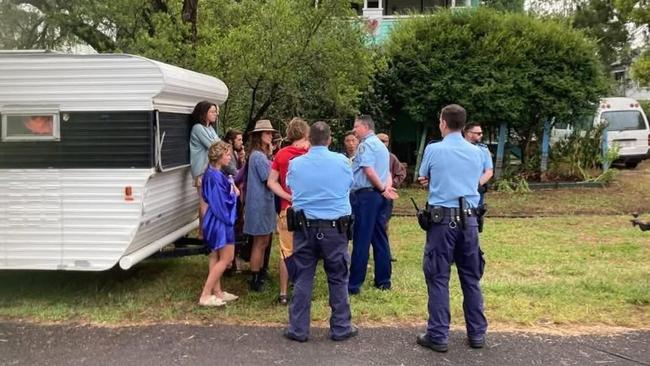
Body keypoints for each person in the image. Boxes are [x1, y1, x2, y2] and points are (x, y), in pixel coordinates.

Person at [416, 104, 487, 352]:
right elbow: (473, 179)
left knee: (438, 277)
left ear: (444, 123)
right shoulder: (477, 152)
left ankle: (438, 335)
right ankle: (477, 333)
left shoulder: (434, 149)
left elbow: (424, 176)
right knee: (470, 277)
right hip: (469, 219)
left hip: (442, 220)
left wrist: (432, 180)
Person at [283, 121, 357, 342]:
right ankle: (341, 327)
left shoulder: (296, 164)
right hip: (335, 229)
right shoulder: (343, 162)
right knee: (338, 278)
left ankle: (298, 329)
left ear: (309, 139)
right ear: (330, 139)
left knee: (303, 277)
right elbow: (348, 186)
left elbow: (290, 186)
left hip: (305, 229)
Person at [348, 115, 398, 295]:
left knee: (362, 238)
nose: (354, 131)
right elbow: (387, 172)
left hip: (366, 196)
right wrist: (385, 188)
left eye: (356, 127)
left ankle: (354, 283)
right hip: (379, 197)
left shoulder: (365, 145)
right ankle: (383, 280)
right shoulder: (381, 147)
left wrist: (381, 187)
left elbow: (368, 170)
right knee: (379, 237)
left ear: (365, 127)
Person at [267, 117, 310, 305]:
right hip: (310, 210)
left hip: (288, 209)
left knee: (286, 251)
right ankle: (302, 289)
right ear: (306, 133)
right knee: (308, 251)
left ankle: (283, 293)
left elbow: (271, 182)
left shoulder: (282, 154)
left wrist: (286, 195)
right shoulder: (310, 154)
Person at [198, 141, 240, 307]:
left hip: (212, 219)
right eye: (227, 154)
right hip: (220, 221)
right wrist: (234, 193)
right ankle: (205, 294)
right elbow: (221, 204)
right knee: (227, 257)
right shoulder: (215, 177)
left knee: (215, 255)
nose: (230, 157)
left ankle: (217, 292)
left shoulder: (212, 173)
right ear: (219, 157)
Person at [243, 119, 278, 292]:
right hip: (259, 204)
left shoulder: (260, 155)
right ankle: (255, 277)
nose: (270, 136)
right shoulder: (257, 156)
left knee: (263, 241)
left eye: (271, 133)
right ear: (259, 136)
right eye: (267, 133)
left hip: (263, 203)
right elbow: (269, 178)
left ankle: (260, 273)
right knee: (259, 241)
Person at [189, 101, 220, 240]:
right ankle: (204, 233)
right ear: (204, 113)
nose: (215, 114)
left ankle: (203, 232)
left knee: (208, 201)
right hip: (201, 171)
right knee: (204, 202)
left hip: (210, 170)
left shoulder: (210, 129)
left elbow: (219, 144)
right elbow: (213, 146)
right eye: (212, 112)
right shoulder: (198, 128)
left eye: (215, 111)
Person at [376, 133, 406, 261]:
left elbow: (401, 173)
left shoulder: (391, 158)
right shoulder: (369, 157)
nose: (383, 143)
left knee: (384, 225)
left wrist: (390, 185)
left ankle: (386, 254)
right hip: (370, 195)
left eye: (385, 141)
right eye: (380, 141)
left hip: (386, 197)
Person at [463, 123, 493, 232]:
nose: (481, 135)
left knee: (475, 217)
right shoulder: (457, 148)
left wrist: (476, 185)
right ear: (468, 133)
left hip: (476, 189)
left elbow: (489, 171)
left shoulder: (483, 150)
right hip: (458, 187)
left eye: (481, 133)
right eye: (478, 133)